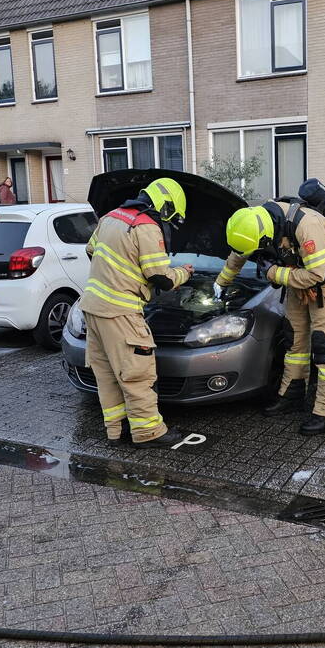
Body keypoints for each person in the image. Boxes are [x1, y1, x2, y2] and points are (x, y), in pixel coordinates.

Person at [215, 180, 325, 436]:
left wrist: (273, 273)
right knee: (294, 340)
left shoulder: (307, 225)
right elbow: (239, 253)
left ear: (267, 237)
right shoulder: (254, 222)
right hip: (297, 277)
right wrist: (222, 282)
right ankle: (292, 395)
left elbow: (318, 274)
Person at [81, 178, 193, 447]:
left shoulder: (111, 217)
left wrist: (120, 273)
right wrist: (183, 273)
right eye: (171, 217)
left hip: (92, 308)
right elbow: (160, 277)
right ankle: (148, 432)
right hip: (121, 312)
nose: (168, 222)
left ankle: (116, 431)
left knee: (108, 376)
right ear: (166, 206)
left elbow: (90, 250)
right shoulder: (146, 226)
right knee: (137, 374)